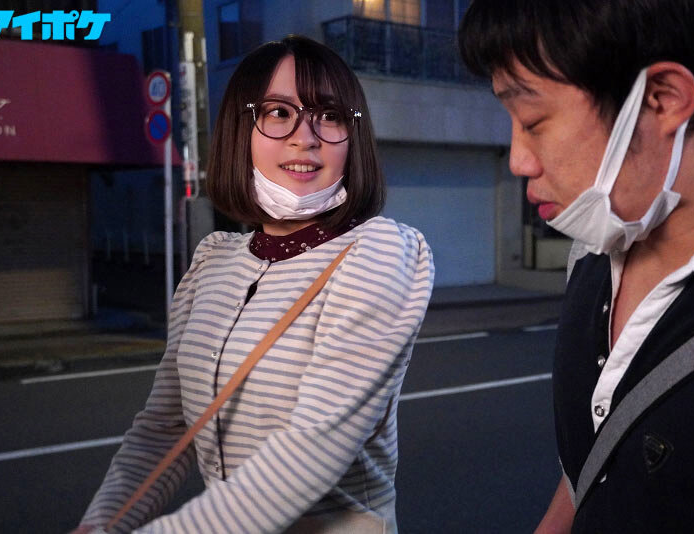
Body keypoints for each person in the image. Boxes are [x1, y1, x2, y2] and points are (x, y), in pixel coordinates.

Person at [74, 35, 434, 533]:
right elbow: (165, 430)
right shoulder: (212, 260)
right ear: (240, 129)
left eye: (329, 115)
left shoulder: (380, 250)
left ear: (353, 139)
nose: (306, 137)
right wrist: (101, 524)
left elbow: (311, 450)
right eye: (278, 112)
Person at [459, 0, 694, 532]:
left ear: (662, 99)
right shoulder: (595, 249)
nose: (517, 160)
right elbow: (595, 465)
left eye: (533, 121)